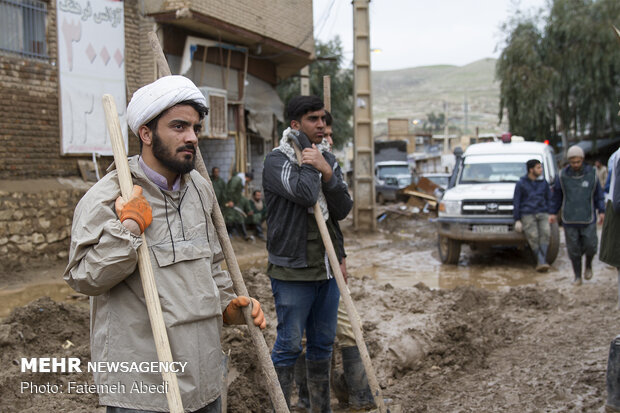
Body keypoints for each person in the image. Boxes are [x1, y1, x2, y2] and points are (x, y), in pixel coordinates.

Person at [63, 75, 266, 413]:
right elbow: (84, 277)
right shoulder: (108, 196)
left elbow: (212, 265)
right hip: (143, 390)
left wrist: (228, 307)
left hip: (203, 379)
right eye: (178, 127)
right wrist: (128, 228)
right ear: (146, 133)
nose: (191, 138)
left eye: (195, 129)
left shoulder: (200, 190)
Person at [262, 95, 353, 411]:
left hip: (325, 270)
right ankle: (280, 406)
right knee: (288, 345)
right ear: (295, 125)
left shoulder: (327, 159)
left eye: (324, 119)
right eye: (313, 119)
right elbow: (303, 194)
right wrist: (311, 160)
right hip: (291, 271)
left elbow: (342, 209)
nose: (321, 125)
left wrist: (327, 172)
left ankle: (319, 407)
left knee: (322, 345)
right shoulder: (277, 161)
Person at [293, 110, 375, 410]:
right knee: (302, 336)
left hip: (328, 266)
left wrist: (340, 257)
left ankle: (360, 395)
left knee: (346, 326)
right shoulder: (293, 165)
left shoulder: (331, 167)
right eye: (320, 133)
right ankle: (308, 400)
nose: (325, 137)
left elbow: (337, 220)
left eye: (328, 134)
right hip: (301, 268)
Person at [550, 145, 605, 286]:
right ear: (569, 161)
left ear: (582, 160)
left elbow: (598, 195)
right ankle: (577, 276)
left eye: (578, 162)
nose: (575, 165)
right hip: (569, 219)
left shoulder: (592, 174)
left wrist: (602, 211)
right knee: (573, 250)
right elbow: (557, 196)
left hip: (588, 218)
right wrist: (553, 212)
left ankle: (588, 265)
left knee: (591, 246)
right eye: (572, 162)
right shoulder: (562, 176)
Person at [513, 159, 553, 272]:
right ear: (531, 170)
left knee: (545, 234)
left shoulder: (543, 183)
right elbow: (516, 201)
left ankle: (541, 260)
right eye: (538, 167)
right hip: (527, 214)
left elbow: (549, 198)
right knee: (533, 237)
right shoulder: (521, 183)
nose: (541, 170)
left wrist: (551, 213)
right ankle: (541, 261)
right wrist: (517, 219)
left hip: (543, 212)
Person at [223, 172, 253, 240]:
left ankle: (238, 234)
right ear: (249, 178)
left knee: (235, 217)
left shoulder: (240, 180)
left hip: (234, 202)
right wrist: (230, 200)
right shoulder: (237, 179)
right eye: (249, 181)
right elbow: (230, 189)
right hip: (229, 201)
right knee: (229, 217)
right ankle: (227, 235)